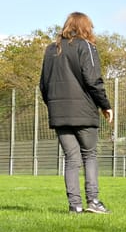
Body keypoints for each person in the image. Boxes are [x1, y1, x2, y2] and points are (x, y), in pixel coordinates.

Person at [39, 12, 113, 214]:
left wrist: (53, 106)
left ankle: (75, 206)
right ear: (86, 27)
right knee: (89, 155)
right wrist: (105, 105)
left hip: (59, 113)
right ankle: (94, 202)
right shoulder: (86, 46)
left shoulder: (50, 49)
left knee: (71, 159)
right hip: (83, 112)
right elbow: (93, 80)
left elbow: (43, 85)